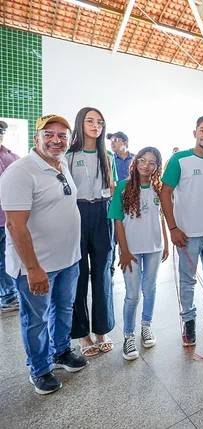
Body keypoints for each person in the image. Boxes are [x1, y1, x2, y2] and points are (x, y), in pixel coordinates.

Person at [0, 114, 86, 394]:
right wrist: (33, 268)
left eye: (62, 135)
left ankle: (60, 351)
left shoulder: (60, 164)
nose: (55, 140)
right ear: (36, 138)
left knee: (63, 309)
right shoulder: (20, 171)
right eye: (49, 134)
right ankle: (39, 369)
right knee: (36, 319)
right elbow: (14, 224)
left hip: (68, 260)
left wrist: (74, 254)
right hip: (37, 266)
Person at [161, 114, 203, 346]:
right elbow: (165, 193)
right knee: (188, 280)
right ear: (195, 133)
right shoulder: (179, 160)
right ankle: (189, 321)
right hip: (187, 235)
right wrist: (173, 228)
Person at [108, 147, 169, 361]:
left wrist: (166, 243)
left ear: (156, 167)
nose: (146, 165)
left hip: (154, 247)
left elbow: (162, 216)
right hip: (131, 250)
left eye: (152, 162)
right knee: (132, 295)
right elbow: (117, 219)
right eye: (143, 160)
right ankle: (128, 336)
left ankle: (146, 326)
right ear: (136, 161)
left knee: (150, 290)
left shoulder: (158, 188)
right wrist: (123, 251)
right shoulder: (123, 187)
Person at [67, 107, 117, 356]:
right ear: (80, 123)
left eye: (99, 122)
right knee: (78, 275)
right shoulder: (69, 155)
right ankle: (82, 334)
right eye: (90, 121)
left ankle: (102, 329)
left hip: (102, 213)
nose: (95, 125)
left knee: (102, 274)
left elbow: (113, 189)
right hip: (76, 214)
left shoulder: (107, 155)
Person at [0, 120, 20, 312]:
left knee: (8, 258)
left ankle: (10, 295)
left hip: (10, 219)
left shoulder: (12, 157)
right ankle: (7, 296)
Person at [107, 131, 133, 277]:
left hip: (134, 205)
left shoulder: (136, 159)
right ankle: (110, 268)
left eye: (116, 140)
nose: (112, 143)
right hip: (114, 203)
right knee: (113, 237)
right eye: (111, 140)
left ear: (125, 143)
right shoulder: (109, 160)